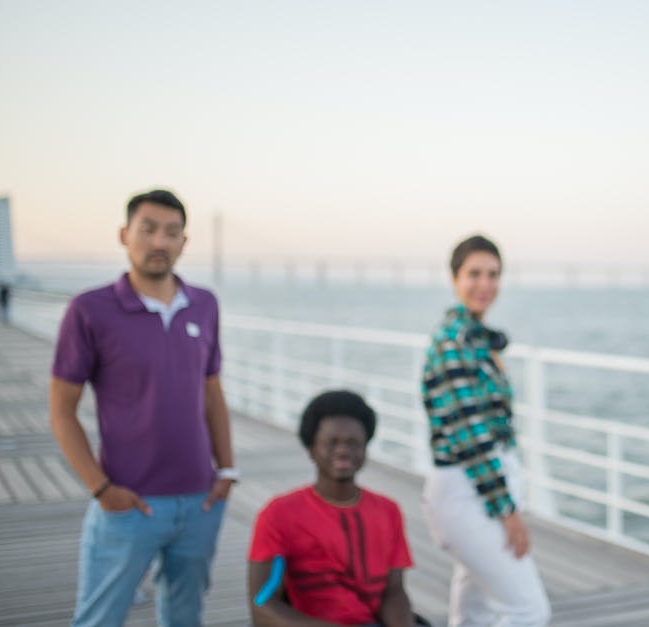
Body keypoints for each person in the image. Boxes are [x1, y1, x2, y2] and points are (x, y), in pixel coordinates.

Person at [49, 189, 235, 626]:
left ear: (183, 243)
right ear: (124, 235)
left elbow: (212, 392)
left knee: (186, 617)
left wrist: (226, 470)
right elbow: (62, 411)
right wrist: (100, 490)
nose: (159, 242)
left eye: (172, 232)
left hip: (200, 502)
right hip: (128, 503)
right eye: (148, 229)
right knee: (99, 618)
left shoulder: (205, 305)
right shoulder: (90, 310)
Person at [420, 235, 550, 627]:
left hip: (479, 490)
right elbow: (472, 438)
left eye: (493, 274)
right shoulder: (454, 345)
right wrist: (508, 513)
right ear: (454, 277)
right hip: (469, 493)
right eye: (474, 273)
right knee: (528, 609)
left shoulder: (477, 339)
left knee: (472, 612)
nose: (485, 284)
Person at [247, 390, 415, 627]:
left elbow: (394, 592)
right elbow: (262, 606)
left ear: (365, 448)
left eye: (353, 442)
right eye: (331, 442)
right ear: (312, 448)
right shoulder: (279, 515)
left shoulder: (388, 511)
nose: (342, 450)